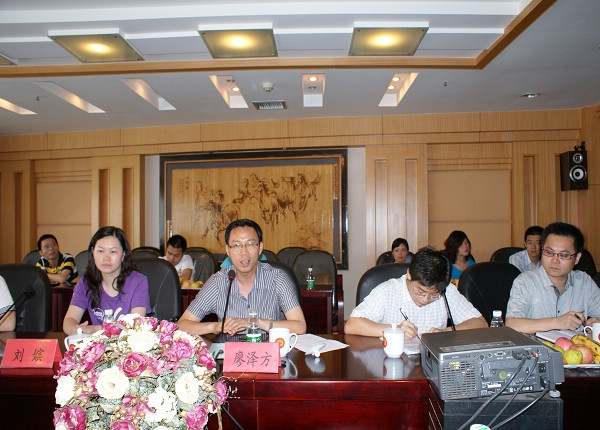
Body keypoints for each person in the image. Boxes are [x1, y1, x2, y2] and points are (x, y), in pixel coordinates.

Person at [178, 218, 306, 336]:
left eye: (250, 244)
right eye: (236, 245)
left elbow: (300, 326)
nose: (244, 252)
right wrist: (215, 327)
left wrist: (255, 322)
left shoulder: (277, 278)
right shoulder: (218, 282)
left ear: (260, 248)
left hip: (270, 351)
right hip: (230, 352)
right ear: (228, 250)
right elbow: (182, 325)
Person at [345, 247, 487, 339]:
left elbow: (480, 323)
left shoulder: (447, 291)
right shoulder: (387, 290)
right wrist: (395, 330)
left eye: (433, 295)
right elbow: (352, 325)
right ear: (409, 274)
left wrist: (446, 332)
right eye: (420, 291)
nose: (425, 299)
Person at [505, 222, 600, 334]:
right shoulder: (525, 281)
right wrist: (557, 322)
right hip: (536, 345)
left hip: (575, 345)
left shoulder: (584, 282)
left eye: (563, 255)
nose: (554, 260)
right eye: (549, 252)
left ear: (577, 258)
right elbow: (512, 324)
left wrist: (596, 323)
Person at [63, 226, 151, 336]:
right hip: (97, 345)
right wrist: (76, 330)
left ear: (123, 255)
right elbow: (70, 319)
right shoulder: (85, 282)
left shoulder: (138, 281)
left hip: (128, 344)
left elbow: (135, 325)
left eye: (113, 252)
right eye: (100, 251)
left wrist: (96, 329)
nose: (106, 258)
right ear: (93, 253)